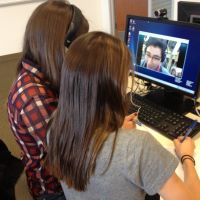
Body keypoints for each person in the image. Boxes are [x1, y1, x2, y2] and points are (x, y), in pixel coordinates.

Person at [46, 31, 200, 200]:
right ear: (115, 84)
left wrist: (115, 130)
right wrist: (187, 157)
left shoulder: (55, 126)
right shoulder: (138, 146)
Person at [7, 0, 89, 199]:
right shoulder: (35, 98)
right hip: (55, 190)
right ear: (63, 46)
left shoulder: (44, 72)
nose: (83, 53)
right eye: (80, 45)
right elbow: (71, 160)